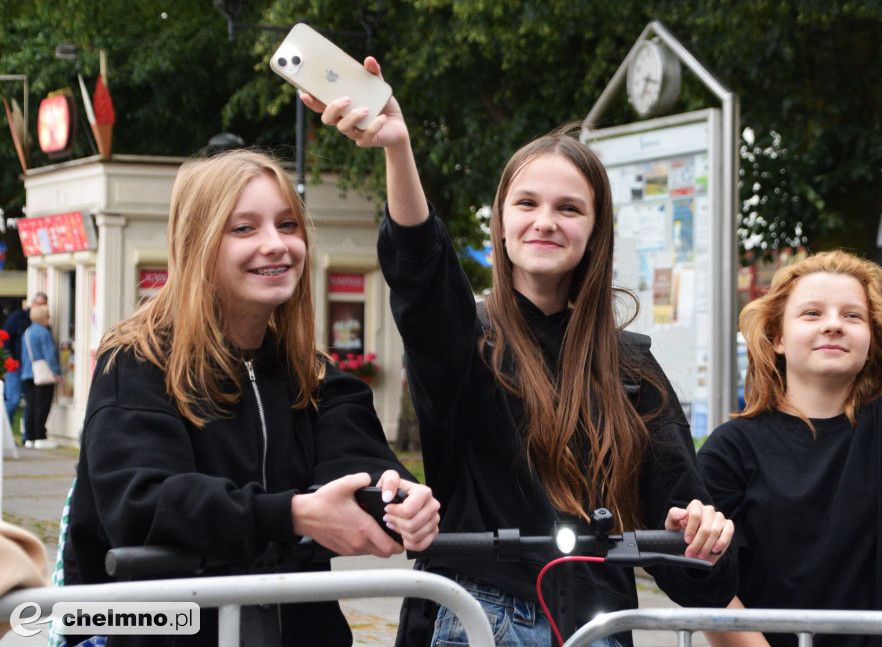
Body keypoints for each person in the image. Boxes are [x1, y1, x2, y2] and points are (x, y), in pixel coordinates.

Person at [301, 59, 737, 647]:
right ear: (501, 225)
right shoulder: (466, 339)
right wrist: (397, 149)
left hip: (595, 622)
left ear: (595, 231)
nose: (545, 222)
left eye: (569, 208)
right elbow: (421, 275)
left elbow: (685, 538)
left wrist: (702, 529)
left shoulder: (630, 366)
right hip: (476, 615)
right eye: (526, 203)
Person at [63, 149, 441, 647]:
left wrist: (398, 501)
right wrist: (291, 514)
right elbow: (144, 504)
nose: (276, 245)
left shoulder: (314, 372)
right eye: (244, 229)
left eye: (288, 225)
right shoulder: (138, 361)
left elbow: (358, 466)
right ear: (198, 243)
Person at [696, 170, 882, 646]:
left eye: (852, 315)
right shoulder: (731, 449)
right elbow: (707, 585)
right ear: (776, 338)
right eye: (812, 313)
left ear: (871, 339)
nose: (834, 325)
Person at [3, 292, 47, 425]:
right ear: (32, 303)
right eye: (39, 305)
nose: (41, 309)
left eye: (43, 306)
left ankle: (27, 435)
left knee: (31, 402)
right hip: (16, 365)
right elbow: (6, 338)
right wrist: (9, 360)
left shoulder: (42, 324)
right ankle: (5, 434)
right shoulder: (18, 317)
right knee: (13, 401)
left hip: (31, 367)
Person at [20, 303, 60, 449]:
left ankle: (29, 437)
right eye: (47, 316)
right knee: (42, 405)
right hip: (42, 374)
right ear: (43, 318)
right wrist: (56, 372)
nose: (49, 319)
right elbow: (48, 355)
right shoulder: (43, 332)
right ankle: (40, 437)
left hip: (27, 373)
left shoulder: (27, 332)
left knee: (31, 406)